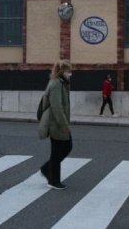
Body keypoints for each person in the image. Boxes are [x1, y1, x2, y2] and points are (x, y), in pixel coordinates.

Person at [39, 59, 73, 190]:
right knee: (59, 150)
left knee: (63, 148)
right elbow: (57, 107)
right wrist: (64, 125)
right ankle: (53, 180)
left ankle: (47, 169)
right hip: (55, 123)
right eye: (68, 71)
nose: (70, 73)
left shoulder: (61, 83)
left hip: (58, 122)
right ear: (62, 71)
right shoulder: (56, 85)